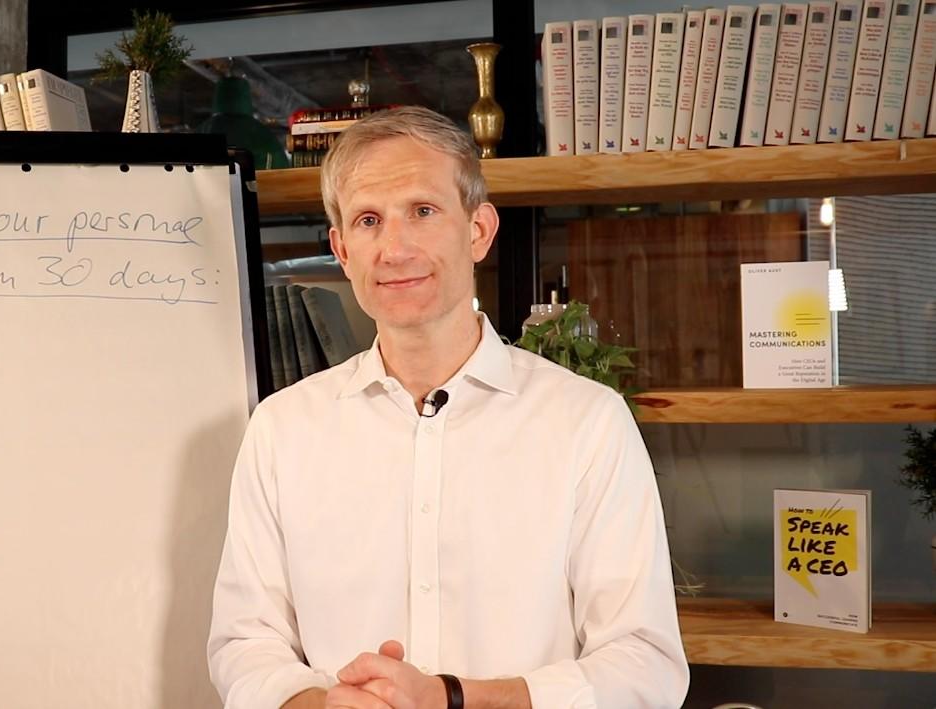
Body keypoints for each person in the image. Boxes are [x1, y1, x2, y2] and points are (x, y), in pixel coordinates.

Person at [207, 105, 688, 709]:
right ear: (342, 250)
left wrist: (451, 698)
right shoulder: (283, 429)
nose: (394, 248)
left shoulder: (587, 423)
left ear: (478, 230)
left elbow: (645, 665)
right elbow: (245, 642)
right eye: (368, 220)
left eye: (423, 211)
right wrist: (319, 705)